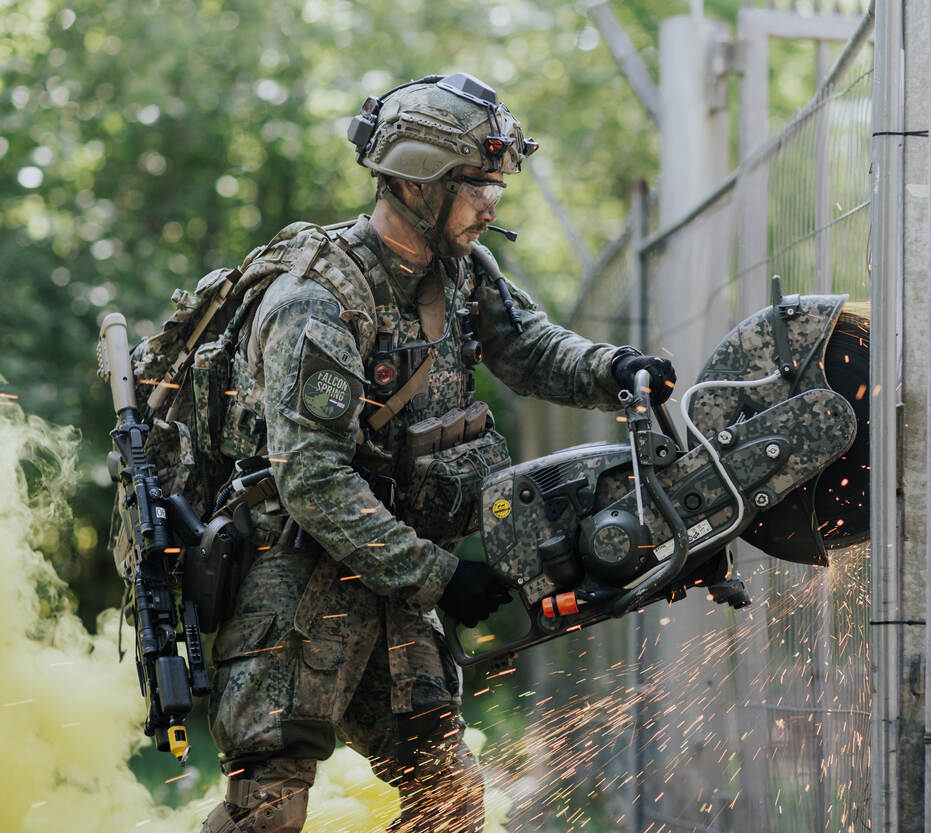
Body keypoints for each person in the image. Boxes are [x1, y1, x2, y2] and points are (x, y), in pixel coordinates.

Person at [199, 72, 675, 833]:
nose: (492, 204)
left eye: (496, 185)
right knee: (269, 809)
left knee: (448, 803)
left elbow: (529, 347)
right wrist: (441, 577)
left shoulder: (460, 272)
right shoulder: (315, 300)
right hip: (297, 586)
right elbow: (312, 478)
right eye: (476, 184)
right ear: (419, 181)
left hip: (395, 587)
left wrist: (615, 368)